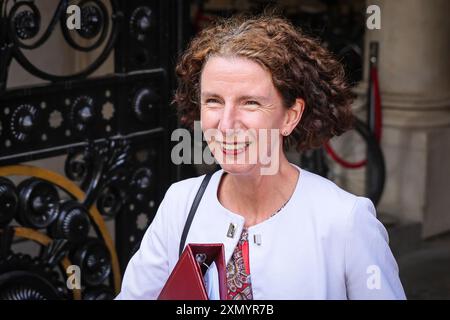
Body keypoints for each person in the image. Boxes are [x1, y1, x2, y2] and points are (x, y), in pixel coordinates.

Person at [115, 14, 406, 300]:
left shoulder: (345, 220)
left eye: (250, 103)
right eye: (213, 101)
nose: (226, 124)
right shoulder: (180, 205)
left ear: (290, 116)